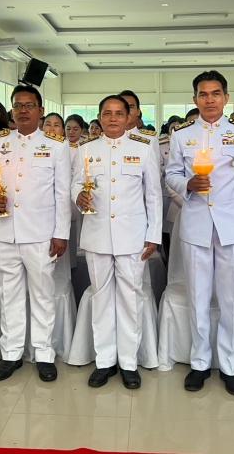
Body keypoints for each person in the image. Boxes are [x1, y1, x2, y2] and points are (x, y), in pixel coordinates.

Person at [165, 70, 234, 396]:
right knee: (198, 298)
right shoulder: (182, 135)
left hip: (233, 227)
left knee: (231, 300)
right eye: (203, 94)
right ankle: (200, 362)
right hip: (196, 225)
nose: (209, 100)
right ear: (195, 99)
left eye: (215, 93)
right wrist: (187, 183)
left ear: (226, 98)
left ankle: (231, 365)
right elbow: (171, 174)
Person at [0, 85, 70, 383]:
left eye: (29, 105)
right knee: (10, 295)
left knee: (43, 295)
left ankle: (44, 353)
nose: (23, 110)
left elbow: (62, 193)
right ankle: (11, 353)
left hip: (40, 234)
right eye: (17, 105)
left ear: (40, 111)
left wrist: (61, 234)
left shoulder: (56, 146)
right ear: (11, 110)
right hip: (4, 232)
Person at [73, 95, 161, 389]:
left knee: (129, 299)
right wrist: (78, 196)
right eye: (107, 113)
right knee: (101, 299)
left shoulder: (143, 148)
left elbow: (153, 196)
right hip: (97, 235)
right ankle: (104, 361)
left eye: (119, 113)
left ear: (128, 118)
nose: (113, 118)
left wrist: (153, 235)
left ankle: (128, 363)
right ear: (99, 117)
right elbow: (76, 183)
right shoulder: (86, 149)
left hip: (132, 237)